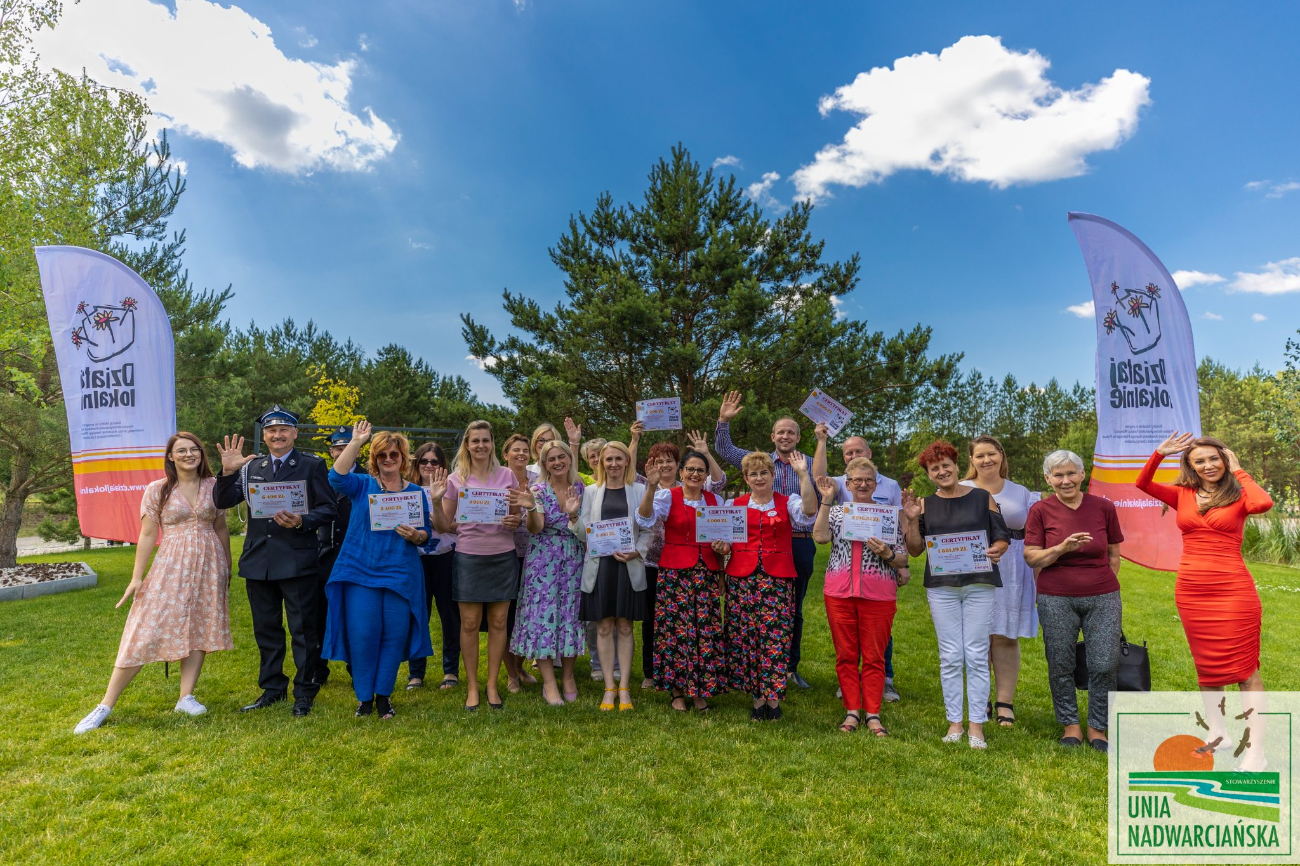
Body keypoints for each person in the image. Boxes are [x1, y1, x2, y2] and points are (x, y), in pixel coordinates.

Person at [75, 433, 233, 733]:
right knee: (144, 629)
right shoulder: (157, 490)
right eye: (181, 451)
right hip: (171, 564)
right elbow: (147, 535)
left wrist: (226, 565)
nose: (189, 454)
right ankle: (105, 704)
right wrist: (137, 577)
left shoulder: (215, 487)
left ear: (201, 454)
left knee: (199, 623)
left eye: (194, 449)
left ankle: (186, 696)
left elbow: (220, 526)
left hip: (210, 564)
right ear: (170, 457)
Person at [1136, 432, 1274, 770]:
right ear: (1191, 466)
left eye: (1214, 458)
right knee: (1208, 668)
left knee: (1246, 671)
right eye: (1200, 460)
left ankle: (1256, 750)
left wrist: (1240, 471)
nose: (1208, 465)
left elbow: (1263, 504)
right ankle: (1219, 732)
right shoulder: (1182, 494)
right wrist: (1158, 453)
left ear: (1225, 460)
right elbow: (1143, 483)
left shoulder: (1240, 493)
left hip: (1233, 590)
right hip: (1192, 591)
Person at [213, 406, 337, 717]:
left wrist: (301, 520)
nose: (277, 435)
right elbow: (223, 501)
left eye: (283, 430)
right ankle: (272, 688)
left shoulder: (311, 465)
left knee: (303, 629)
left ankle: (305, 690)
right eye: (271, 431)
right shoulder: (251, 467)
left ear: (295, 433)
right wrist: (228, 471)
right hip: (259, 560)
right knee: (266, 629)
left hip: (297, 559)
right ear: (265, 435)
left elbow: (328, 509)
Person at [901, 440, 1010, 749]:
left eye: (946, 464)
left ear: (956, 465)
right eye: (934, 468)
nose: (941, 470)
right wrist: (911, 520)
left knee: (976, 654)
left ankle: (977, 725)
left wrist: (997, 549)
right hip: (942, 588)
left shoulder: (982, 497)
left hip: (979, 583)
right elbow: (915, 549)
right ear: (928, 473)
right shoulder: (924, 505)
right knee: (950, 656)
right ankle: (955, 723)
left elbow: (1001, 537)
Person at [323, 420, 434, 719]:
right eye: (382, 455)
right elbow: (336, 476)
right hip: (361, 571)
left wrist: (417, 536)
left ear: (402, 458)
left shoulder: (415, 493)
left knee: (394, 636)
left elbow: (427, 534)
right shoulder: (362, 485)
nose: (388, 460)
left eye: (394, 455)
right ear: (374, 460)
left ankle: (384, 696)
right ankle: (364, 699)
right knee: (364, 635)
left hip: (400, 573)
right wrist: (357, 441)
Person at [714, 391, 819, 689]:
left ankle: (787, 667)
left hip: (794, 543)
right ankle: (746, 671)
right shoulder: (754, 463)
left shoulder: (807, 464)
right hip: (751, 552)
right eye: (780, 432)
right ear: (772, 436)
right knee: (744, 618)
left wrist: (805, 471)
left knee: (791, 610)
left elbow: (811, 506)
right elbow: (724, 448)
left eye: (791, 432)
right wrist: (723, 420)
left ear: (798, 437)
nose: (785, 436)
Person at [1023, 450, 1124, 752]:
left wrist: (1103, 583)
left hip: (1103, 596)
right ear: (1048, 479)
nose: (1065, 480)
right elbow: (1031, 557)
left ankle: (1098, 726)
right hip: (1056, 597)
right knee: (1060, 663)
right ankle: (1070, 724)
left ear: (1082, 475)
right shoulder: (1040, 511)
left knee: (1105, 663)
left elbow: (1114, 555)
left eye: (1071, 474)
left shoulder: (1103, 507)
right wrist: (1061, 548)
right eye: (1058, 475)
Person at [811, 459, 909, 736]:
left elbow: (902, 555)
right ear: (848, 484)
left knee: (875, 656)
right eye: (857, 480)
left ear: (876, 484)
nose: (863, 484)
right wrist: (826, 501)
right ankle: (852, 710)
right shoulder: (837, 512)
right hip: (839, 591)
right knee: (846, 655)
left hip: (878, 593)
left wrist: (888, 554)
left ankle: (873, 714)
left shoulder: (887, 515)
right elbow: (819, 537)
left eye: (868, 480)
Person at [429, 419, 522, 711]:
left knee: (498, 623)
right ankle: (472, 687)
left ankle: (492, 685)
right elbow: (444, 526)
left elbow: (517, 517)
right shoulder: (456, 479)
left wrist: (514, 519)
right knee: (469, 624)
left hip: (502, 556)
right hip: (468, 557)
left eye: (486, 440)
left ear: (493, 443)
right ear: (466, 445)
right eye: (475, 441)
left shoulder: (507, 475)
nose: (481, 445)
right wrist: (434, 502)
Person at [726, 452, 818, 721]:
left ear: (772, 475)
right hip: (742, 579)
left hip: (776, 579)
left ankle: (774, 700)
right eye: (753, 474)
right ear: (746, 478)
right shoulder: (734, 504)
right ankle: (757, 699)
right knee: (748, 638)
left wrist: (803, 474)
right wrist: (721, 546)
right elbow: (725, 539)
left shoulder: (788, 502)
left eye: (764, 473)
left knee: (775, 637)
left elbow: (810, 511)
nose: (759, 478)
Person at [637, 448, 731, 711]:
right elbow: (644, 518)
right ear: (681, 472)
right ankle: (677, 690)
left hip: (707, 574)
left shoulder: (717, 501)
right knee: (675, 631)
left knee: (705, 631)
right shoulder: (667, 496)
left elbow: (723, 541)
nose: (695, 474)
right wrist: (651, 488)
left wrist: (722, 570)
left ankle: (699, 689)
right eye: (690, 469)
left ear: (705, 475)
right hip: (675, 572)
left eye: (700, 470)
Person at [959, 435, 1040, 727]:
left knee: (1005, 636)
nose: (986, 460)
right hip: (971, 563)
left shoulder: (1021, 492)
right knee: (978, 636)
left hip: (1013, 565)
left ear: (1002, 456)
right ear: (971, 460)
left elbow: (1036, 534)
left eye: (991, 454)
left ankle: (1004, 701)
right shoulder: (961, 489)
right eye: (979, 456)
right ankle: (980, 702)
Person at [574, 441, 651, 710]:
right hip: (600, 567)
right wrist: (573, 517)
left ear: (627, 461)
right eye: (609, 460)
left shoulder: (640, 490)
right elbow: (584, 532)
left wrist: (636, 552)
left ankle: (625, 688)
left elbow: (649, 531)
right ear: (600, 463)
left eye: (619, 458)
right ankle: (609, 687)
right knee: (604, 627)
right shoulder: (591, 492)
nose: (614, 464)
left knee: (625, 627)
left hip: (627, 567)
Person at [512, 440, 586, 704]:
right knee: (543, 618)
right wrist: (531, 507)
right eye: (550, 459)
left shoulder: (581, 488)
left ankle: (568, 676)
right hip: (543, 560)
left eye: (561, 457)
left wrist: (575, 516)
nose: (557, 462)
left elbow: (587, 528)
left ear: (569, 458)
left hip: (573, 558)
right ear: (544, 464)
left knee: (570, 616)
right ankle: (549, 683)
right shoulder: (538, 490)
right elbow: (535, 528)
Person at [405, 441, 460, 690]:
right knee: (418, 616)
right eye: (423, 461)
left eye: (434, 461)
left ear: (442, 465)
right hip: (415, 559)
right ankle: (415, 673)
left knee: (450, 617)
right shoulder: (406, 489)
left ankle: (451, 671)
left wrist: (436, 519)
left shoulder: (453, 488)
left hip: (447, 557)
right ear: (416, 463)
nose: (428, 465)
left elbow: (454, 524)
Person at [311, 426, 363, 687]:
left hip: (356, 559)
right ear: (331, 451)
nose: (343, 452)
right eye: (338, 448)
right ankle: (319, 671)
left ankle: (358, 669)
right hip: (324, 557)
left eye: (348, 447)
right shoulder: (319, 476)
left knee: (356, 617)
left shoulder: (368, 478)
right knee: (319, 617)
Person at [500, 433, 538, 693]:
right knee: (505, 615)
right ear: (506, 454)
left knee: (527, 616)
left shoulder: (538, 481)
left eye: (525, 450)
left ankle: (520, 665)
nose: (521, 454)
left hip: (536, 555)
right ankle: (511, 674)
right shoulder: (498, 479)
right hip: (504, 552)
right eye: (516, 450)